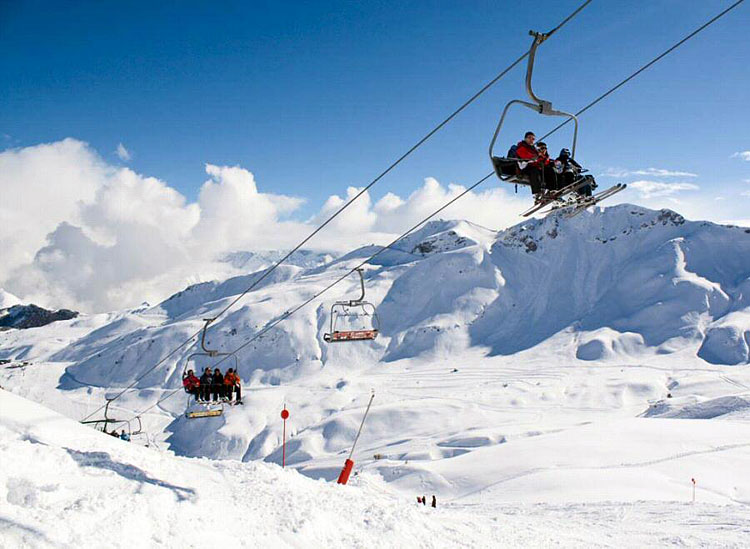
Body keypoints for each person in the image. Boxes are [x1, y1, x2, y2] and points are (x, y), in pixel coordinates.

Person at [514, 131, 544, 196]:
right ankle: (537, 193)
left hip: (533, 165)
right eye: (529, 138)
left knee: (548, 170)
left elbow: (540, 158)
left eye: (533, 139)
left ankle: (553, 190)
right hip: (524, 168)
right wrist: (535, 157)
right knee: (534, 171)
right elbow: (525, 156)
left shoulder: (534, 149)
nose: (531, 140)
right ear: (525, 138)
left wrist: (542, 158)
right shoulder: (521, 147)